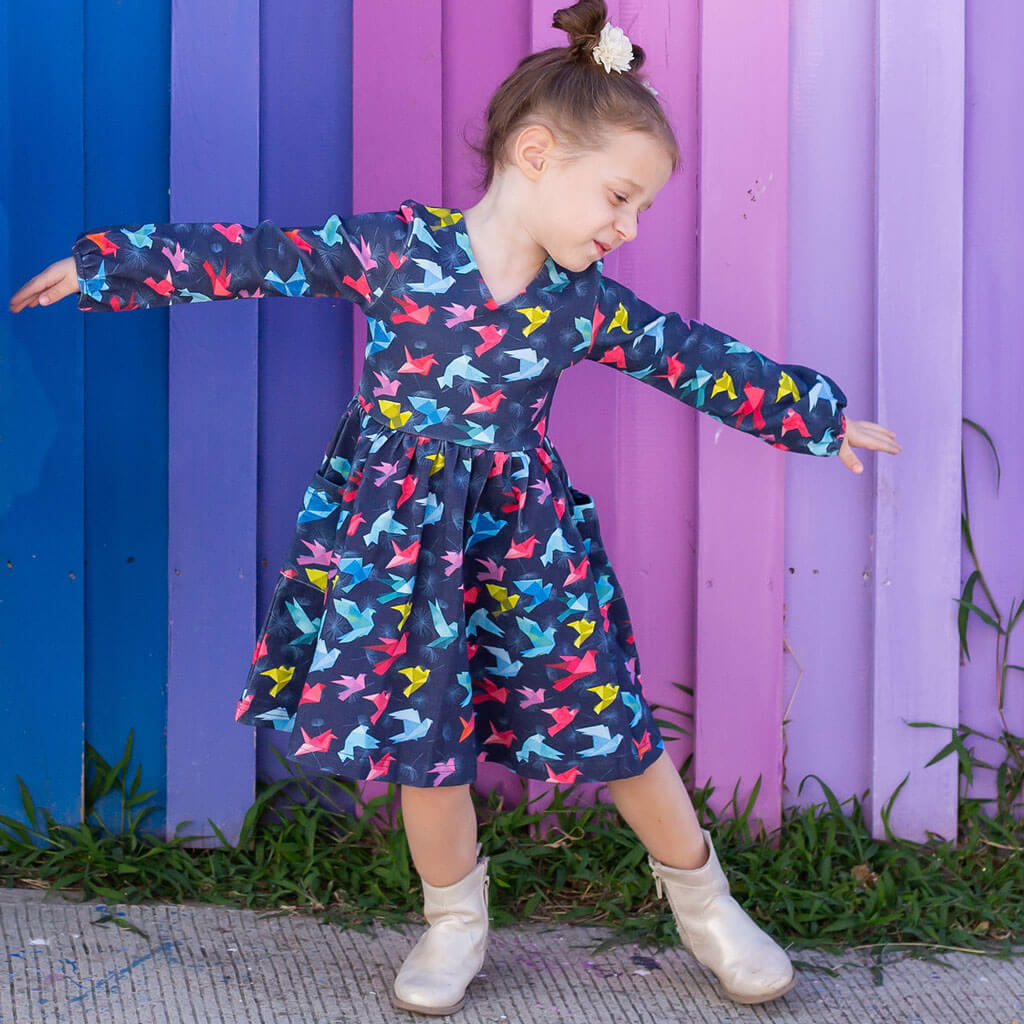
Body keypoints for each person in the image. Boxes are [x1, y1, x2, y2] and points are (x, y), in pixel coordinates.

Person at [9, 0, 900, 1015]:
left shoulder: (581, 303)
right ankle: (454, 922)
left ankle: (706, 905)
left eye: (640, 209)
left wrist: (814, 416)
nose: (627, 227)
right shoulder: (399, 251)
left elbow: (689, 356)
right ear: (536, 153)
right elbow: (260, 255)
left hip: (526, 547)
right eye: (619, 197)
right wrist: (111, 263)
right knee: (423, 739)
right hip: (399, 547)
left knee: (612, 721)